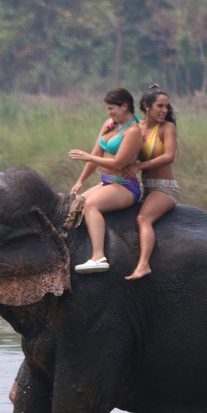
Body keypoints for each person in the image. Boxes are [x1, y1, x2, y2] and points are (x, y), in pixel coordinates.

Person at [69, 87, 143, 274]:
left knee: (91, 205)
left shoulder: (133, 131)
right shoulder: (109, 124)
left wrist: (89, 158)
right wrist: (81, 181)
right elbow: (96, 154)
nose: (109, 113)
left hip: (124, 185)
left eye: (112, 108)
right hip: (107, 182)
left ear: (125, 106)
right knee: (75, 204)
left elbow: (118, 164)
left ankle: (99, 256)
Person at [122, 84, 179, 280]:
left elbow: (169, 156)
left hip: (164, 189)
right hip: (145, 189)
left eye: (166, 107)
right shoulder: (136, 129)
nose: (164, 111)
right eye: (160, 106)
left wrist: (140, 167)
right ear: (147, 106)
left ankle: (144, 265)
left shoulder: (167, 128)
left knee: (143, 219)